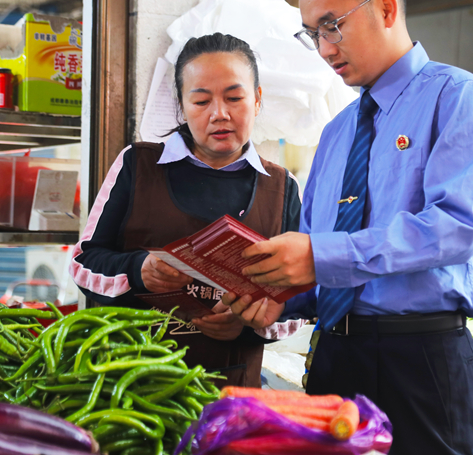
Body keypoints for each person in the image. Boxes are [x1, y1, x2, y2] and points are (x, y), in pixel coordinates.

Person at [223, 0, 473, 455]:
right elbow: (321, 262)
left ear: (384, 9)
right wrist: (274, 296)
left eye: (332, 26)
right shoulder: (335, 134)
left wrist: (317, 255)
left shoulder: (459, 99)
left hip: (421, 360)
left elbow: (454, 229)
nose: (324, 49)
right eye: (311, 33)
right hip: (334, 359)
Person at [70, 32, 305, 388]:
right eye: (200, 101)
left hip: (228, 394)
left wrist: (248, 324)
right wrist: (138, 270)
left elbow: (298, 302)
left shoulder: (281, 187)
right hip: (127, 388)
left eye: (234, 97)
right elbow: (82, 264)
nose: (219, 114)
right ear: (180, 105)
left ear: (257, 100)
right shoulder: (137, 165)